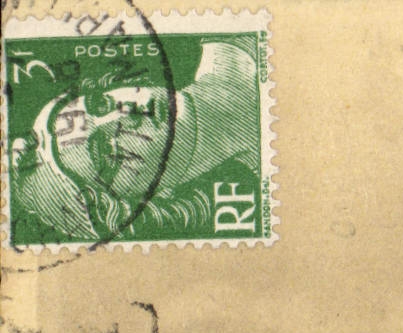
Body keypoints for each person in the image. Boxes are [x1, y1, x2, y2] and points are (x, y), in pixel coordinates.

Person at [10, 40, 259, 242]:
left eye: (100, 104)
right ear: (137, 203)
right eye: (107, 150)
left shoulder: (240, 41)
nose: (126, 112)